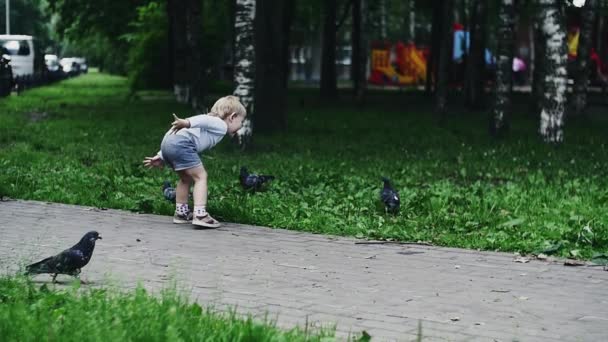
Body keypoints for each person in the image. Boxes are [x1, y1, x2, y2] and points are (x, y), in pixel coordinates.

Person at [143, 95, 246, 228]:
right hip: (182, 144)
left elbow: (177, 137)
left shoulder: (211, 124)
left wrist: (161, 155)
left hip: (169, 143)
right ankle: (200, 215)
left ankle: (181, 213)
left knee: (185, 179)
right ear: (232, 117)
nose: (242, 125)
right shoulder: (220, 124)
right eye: (241, 121)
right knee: (201, 176)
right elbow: (203, 119)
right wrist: (186, 122)